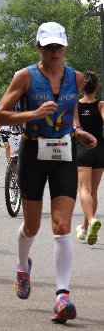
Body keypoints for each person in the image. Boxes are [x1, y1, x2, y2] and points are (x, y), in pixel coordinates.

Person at [0, 22, 97, 324]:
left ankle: (62, 296)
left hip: (64, 152)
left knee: (62, 224)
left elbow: (72, 115)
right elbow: (0, 115)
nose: (54, 52)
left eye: (59, 46)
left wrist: (79, 132)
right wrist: (33, 114)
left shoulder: (75, 78)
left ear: (65, 47)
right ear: (38, 47)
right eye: (48, 46)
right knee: (32, 226)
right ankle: (22, 266)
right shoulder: (25, 77)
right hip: (33, 152)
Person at [76, 71, 103, 244]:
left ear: (81, 88)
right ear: (97, 87)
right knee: (93, 191)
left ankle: (91, 221)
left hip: (82, 149)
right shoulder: (101, 105)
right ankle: (85, 228)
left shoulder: (75, 106)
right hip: (100, 150)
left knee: (84, 190)